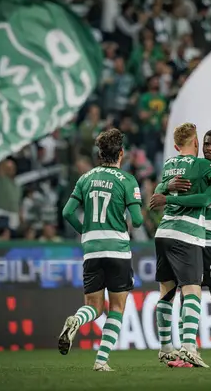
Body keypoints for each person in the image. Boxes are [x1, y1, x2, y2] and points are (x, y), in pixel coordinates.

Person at [151, 123, 211, 368]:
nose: (209, 148)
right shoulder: (196, 169)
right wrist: (166, 186)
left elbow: (205, 198)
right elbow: (164, 184)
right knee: (186, 292)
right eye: (206, 144)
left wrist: (165, 193)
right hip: (194, 238)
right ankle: (186, 352)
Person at [58, 129, 144, 372]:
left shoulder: (85, 178)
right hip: (117, 250)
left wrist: (85, 231)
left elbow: (66, 212)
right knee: (116, 307)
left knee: (93, 307)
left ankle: (76, 319)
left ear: (99, 154)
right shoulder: (127, 180)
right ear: (121, 154)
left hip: (92, 250)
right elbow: (137, 221)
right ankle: (101, 361)